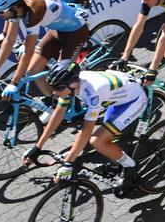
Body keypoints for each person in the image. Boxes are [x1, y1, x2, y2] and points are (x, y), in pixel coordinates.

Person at [21, 60, 146, 196]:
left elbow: (86, 131)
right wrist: (37, 147)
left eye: (59, 88)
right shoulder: (71, 85)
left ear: (73, 84)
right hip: (117, 97)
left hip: (133, 101)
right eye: (53, 87)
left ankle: (130, 165)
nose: (55, 92)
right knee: (106, 140)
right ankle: (116, 162)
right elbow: (57, 115)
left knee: (97, 141)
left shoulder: (93, 92)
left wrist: (69, 162)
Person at [0, 0, 90, 96]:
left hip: (76, 33)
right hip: (57, 31)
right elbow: (9, 40)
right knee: (34, 69)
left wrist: (14, 83)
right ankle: (53, 100)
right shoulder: (18, 10)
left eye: (0, 12)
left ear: (14, 7)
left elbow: (28, 52)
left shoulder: (34, 12)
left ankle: (71, 103)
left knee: (61, 77)